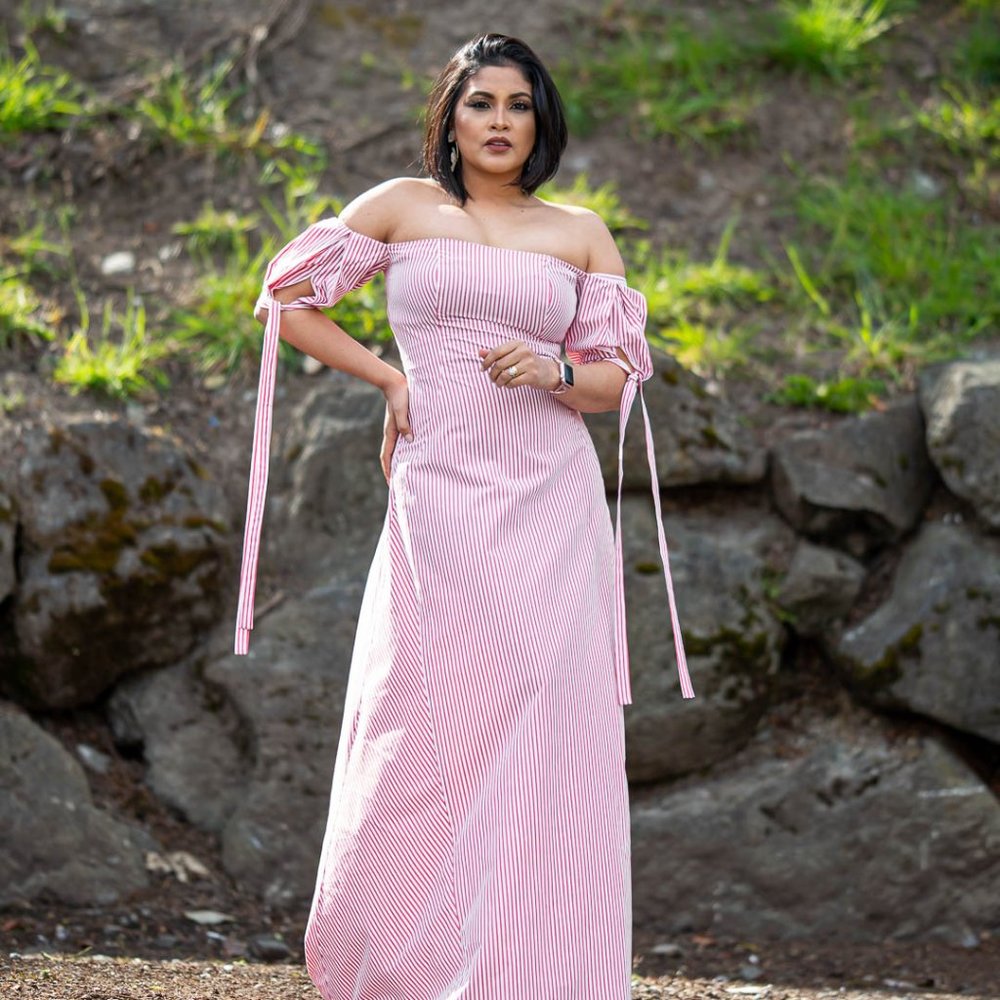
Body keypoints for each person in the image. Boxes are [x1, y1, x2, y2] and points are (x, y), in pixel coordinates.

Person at [234, 32, 694, 1000]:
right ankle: (404, 960)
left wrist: (555, 368)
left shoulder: (577, 229)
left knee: (542, 706)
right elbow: (287, 300)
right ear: (449, 115)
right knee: (424, 711)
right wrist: (388, 378)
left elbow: (613, 383)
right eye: (480, 103)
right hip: (440, 489)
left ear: (541, 119)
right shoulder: (401, 206)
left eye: (517, 105)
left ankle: (532, 964)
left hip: (546, 496)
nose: (498, 122)